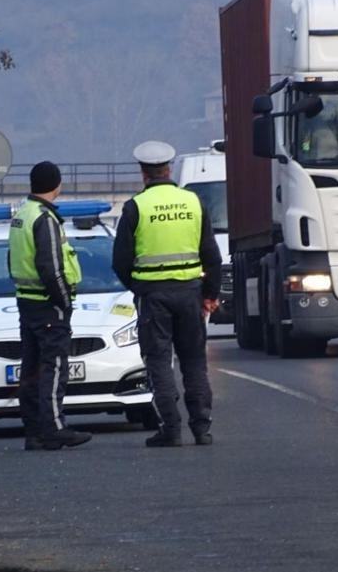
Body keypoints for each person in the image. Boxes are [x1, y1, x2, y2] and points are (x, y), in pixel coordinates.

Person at [112, 140, 222, 447]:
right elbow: (212, 256)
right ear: (168, 169)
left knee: (159, 362)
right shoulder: (193, 202)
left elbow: (120, 261)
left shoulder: (135, 207)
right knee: (194, 362)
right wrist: (210, 294)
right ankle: (202, 428)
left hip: (153, 297)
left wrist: (139, 288)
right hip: (190, 293)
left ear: (143, 173)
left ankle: (170, 429)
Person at [8, 161, 93, 451]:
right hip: (47, 303)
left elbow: (14, 260)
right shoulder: (44, 218)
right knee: (54, 367)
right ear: (57, 185)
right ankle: (55, 428)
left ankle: (34, 431)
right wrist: (64, 300)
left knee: (31, 367)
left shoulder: (22, 214)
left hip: (27, 302)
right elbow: (51, 266)